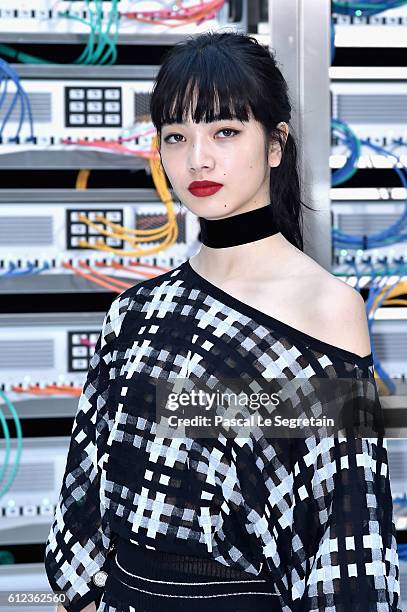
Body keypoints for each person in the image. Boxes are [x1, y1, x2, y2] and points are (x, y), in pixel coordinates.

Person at [45, 31, 401, 612]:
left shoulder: (327, 309)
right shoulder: (133, 314)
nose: (198, 158)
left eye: (226, 132)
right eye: (177, 136)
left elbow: (346, 529)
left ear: (276, 144)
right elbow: (83, 508)